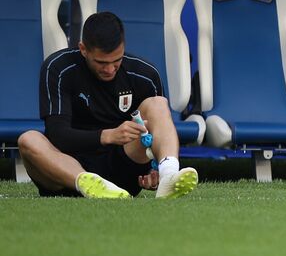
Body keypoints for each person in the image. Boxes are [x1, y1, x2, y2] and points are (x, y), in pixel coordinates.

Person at [18, 11, 198, 200]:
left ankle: (168, 175)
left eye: (117, 61)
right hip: (66, 171)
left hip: (122, 171)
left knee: (158, 104)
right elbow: (58, 135)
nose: (110, 69)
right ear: (83, 49)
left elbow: (153, 134)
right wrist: (108, 135)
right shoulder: (58, 68)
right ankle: (89, 184)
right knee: (28, 140)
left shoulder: (145, 75)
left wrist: (152, 169)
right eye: (101, 62)